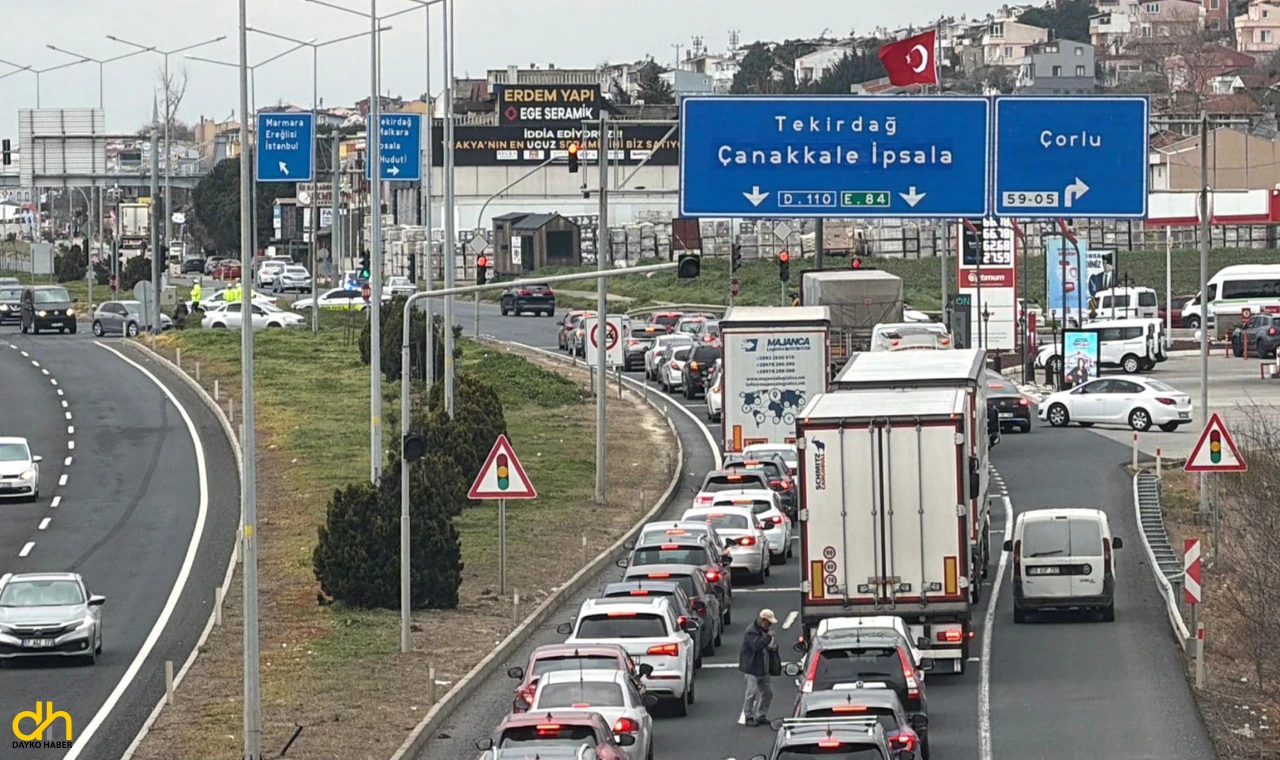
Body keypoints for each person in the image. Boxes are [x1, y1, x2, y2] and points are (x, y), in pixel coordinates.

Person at [739, 608, 778, 726]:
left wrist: (773, 648)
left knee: (768, 693)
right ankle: (749, 716)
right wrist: (768, 637)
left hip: (763, 668)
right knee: (751, 693)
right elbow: (757, 646)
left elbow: (765, 646)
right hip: (752, 668)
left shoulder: (764, 631)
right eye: (769, 622)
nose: (770, 625)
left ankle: (761, 715)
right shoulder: (751, 631)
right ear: (762, 620)